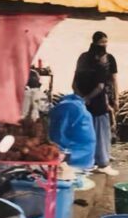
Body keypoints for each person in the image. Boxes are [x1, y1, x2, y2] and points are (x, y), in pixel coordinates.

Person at [73, 31, 118, 176]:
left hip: (84, 102)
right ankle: (103, 162)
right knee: (102, 132)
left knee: (88, 132)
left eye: (106, 42)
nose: (105, 45)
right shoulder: (102, 62)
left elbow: (74, 84)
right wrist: (89, 98)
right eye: (103, 42)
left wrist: (82, 98)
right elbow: (101, 86)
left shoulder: (83, 58)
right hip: (98, 102)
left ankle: (89, 161)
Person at [48, 80, 97, 171]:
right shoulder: (79, 106)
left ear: (74, 86)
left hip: (76, 159)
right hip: (86, 156)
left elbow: (59, 135)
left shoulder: (69, 106)